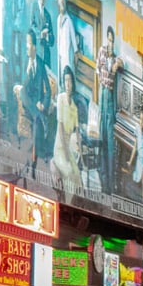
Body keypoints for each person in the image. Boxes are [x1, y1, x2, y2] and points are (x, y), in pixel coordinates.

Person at [96, 26, 124, 193]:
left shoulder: (115, 58)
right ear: (107, 39)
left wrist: (115, 65)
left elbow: (120, 64)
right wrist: (111, 68)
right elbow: (101, 72)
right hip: (103, 95)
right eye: (109, 39)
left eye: (113, 40)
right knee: (102, 141)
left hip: (111, 100)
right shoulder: (102, 51)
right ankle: (104, 181)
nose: (110, 43)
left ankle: (111, 185)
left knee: (110, 144)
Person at [22, 31, 52, 180]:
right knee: (37, 121)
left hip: (38, 109)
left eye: (28, 43)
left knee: (38, 123)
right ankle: (33, 161)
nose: (26, 47)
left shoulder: (40, 64)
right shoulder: (24, 62)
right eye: (26, 43)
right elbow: (22, 90)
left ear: (34, 46)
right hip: (27, 103)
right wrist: (33, 106)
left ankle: (32, 163)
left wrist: (44, 105)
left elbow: (49, 90)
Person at [51, 65, 81, 195]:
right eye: (65, 81)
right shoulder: (60, 98)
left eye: (70, 81)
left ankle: (73, 205)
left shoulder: (75, 108)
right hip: (60, 147)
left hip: (68, 147)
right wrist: (66, 152)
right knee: (69, 172)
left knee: (78, 176)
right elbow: (60, 127)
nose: (68, 84)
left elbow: (78, 130)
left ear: (73, 83)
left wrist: (79, 146)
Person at [126, 107, 143, 204]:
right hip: (139, 160)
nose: (140, 121)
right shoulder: (137, 129)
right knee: (142, 179)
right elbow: (134, 147)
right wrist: (130, 160)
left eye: (142, 119)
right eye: (140, 119)